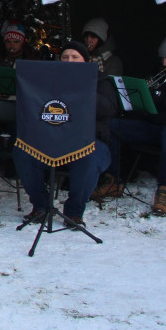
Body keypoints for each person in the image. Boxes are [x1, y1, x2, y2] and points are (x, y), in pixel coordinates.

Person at [96, 35, 166, 216]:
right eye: (162, 58)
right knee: (112, 126)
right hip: (155, 126)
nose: (165, 62)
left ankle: (165, 190)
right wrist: (143, 98)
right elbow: (147, 107)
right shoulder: (161, 72)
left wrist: (165, 97)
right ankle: (113, 179)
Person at [13, 40, 115, 226]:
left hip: (87, 142)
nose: (69, 61)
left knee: (91, 159)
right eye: (65, 57)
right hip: (51, 139)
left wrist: (83, 89)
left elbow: (109, 108)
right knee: (23, 152)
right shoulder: (48, 79)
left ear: (85, 61)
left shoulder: (100, 80)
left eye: (75, 57)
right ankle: (41, 206)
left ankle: (74, 212)